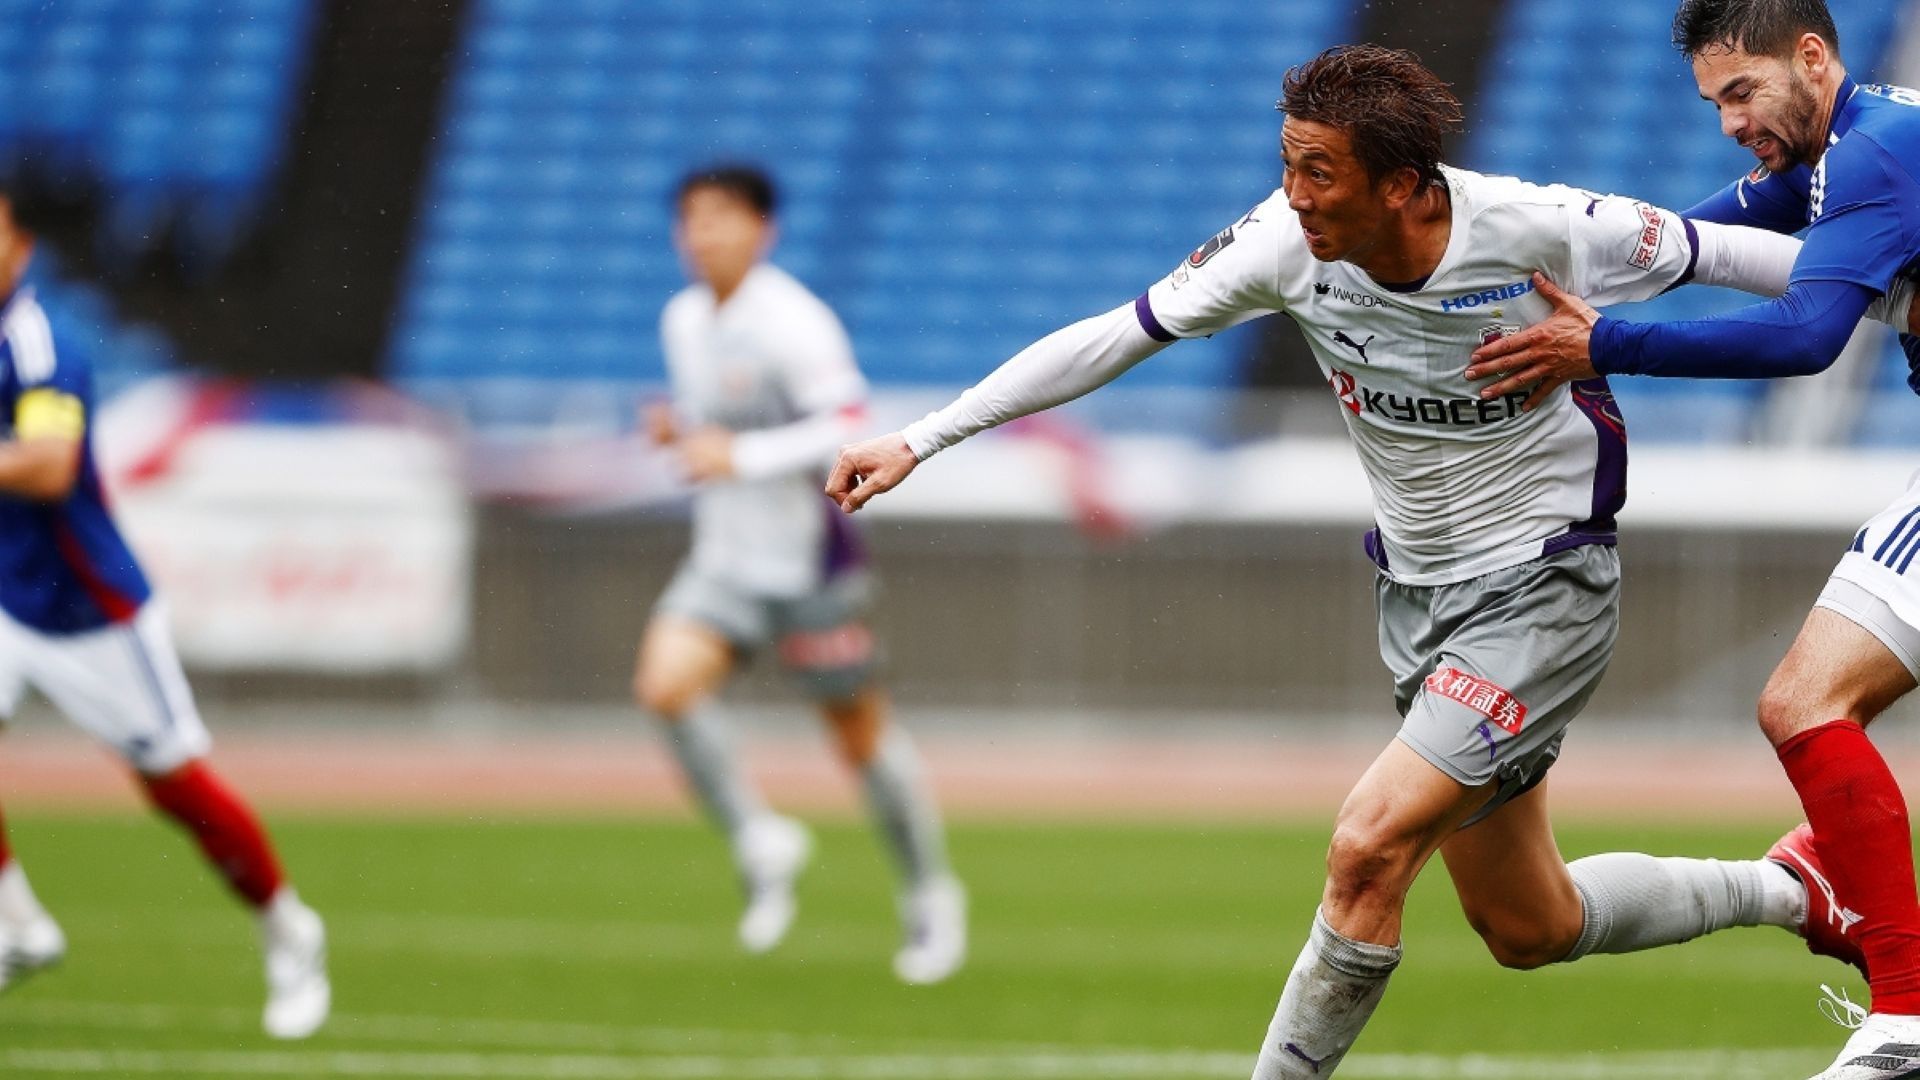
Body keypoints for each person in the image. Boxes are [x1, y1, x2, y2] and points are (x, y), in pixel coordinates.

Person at [827, 45, 1914, 1078]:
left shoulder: (1543, 228)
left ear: (1402, 186)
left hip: (1543, 587)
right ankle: (1797, 889)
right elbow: (1115, 334)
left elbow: (1750, 256)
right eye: (1287, 164)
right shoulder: (1280, 246)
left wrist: (1902, 285)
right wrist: (921, 437)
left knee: (1366, 846)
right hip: (1418, 597)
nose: (1293, 194)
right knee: (1529, 925)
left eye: (1318, 170)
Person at [1465, 1, 1920, 1073]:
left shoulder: (1875, 155)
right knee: (1809, 708)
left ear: (1813, 57)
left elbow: (1808, 335)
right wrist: (1523, 281)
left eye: (1741, 92)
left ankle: (1905, 1017)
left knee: (1806, 703)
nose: (1726, 122)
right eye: (1713, 101)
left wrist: (1604, 343)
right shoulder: (1842, 152)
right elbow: (1677, 241)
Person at [0, 187, 328, 1037]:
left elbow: (48, 468)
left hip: (90, 609)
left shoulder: (37, 345)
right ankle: (17, 924)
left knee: (174, 783)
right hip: (8, 602)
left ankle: (287, 925)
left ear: (21, 240)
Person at [637, 164, 965, 985]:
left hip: (809, 564)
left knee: (857, 740)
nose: (702, 234)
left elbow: (848, 422)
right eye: (690, 219)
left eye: (720, 217)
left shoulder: (794, 322)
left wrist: (738, 453)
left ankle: (929, 891)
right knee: (665, 687)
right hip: (724, 559)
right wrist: (683, 434)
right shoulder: (682, 320)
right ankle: (760, 836)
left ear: (762, 229)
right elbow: (714, 433)